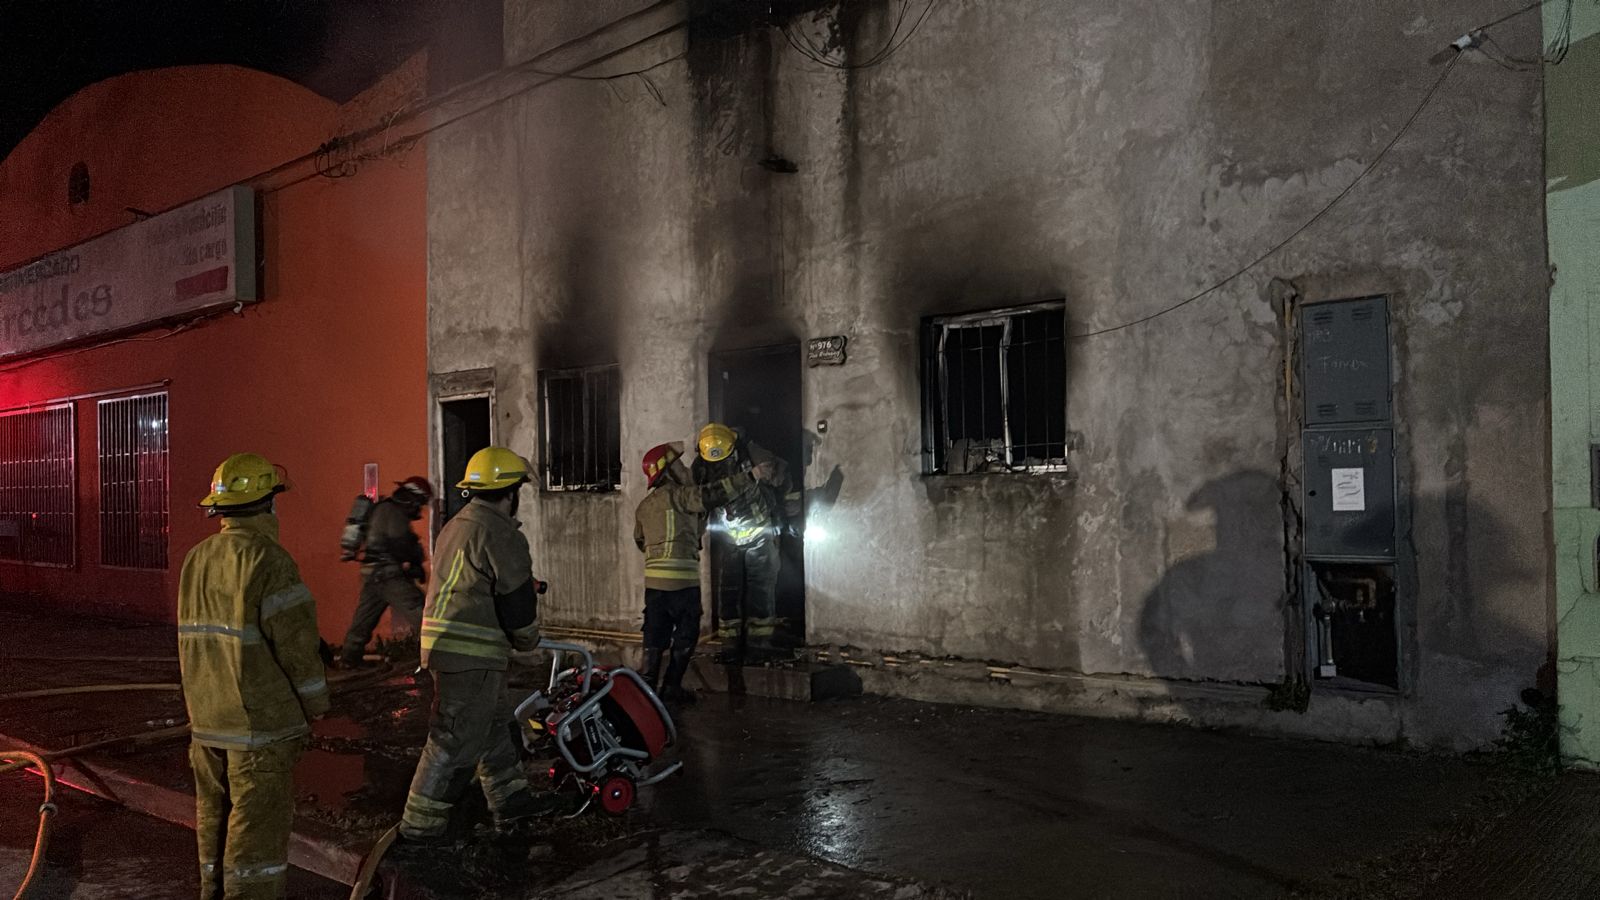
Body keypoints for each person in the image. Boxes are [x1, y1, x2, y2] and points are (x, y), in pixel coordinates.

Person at [179, 452, 329, 900]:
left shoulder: (196, 558)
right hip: (259, 724)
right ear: (268, 504)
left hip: (206, 720)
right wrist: (317, 704)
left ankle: (212, 892)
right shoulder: (269, 560)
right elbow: (298, 648)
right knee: (256, 833)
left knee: (214, 819)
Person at [398, 447, 555, 844]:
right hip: (471, 655)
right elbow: (517, 601)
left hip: (450, 647)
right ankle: (419, 830)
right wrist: (528, 639)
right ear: (512, 491)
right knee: (453, 740)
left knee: (493, 727)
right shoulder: (501, 532)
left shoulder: (457, 524)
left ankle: (512, 799)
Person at [633, 442, 771, 701]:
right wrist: (750, 476)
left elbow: (639, 541)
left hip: (654, 586)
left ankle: (647, 693)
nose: (685, 469)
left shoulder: (644, 505)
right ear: (669, 472)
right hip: (683, 583)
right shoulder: (682, 495)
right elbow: (714, 493)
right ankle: (672, 688)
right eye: (680, 465)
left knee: (655, 633)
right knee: (686, 635)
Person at [691, 423, 793, 663]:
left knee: (762, 587)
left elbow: (782, 480)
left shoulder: (754, 455)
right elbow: (699, 499)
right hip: (729, 537)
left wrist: (786, 515)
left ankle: (759, 643)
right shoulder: (700, 468)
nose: (719, 467)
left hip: (760, 532)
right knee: (728, 589)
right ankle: (730, 643)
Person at [339, 476, 433, 667]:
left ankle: (349, 659)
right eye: (419, 503)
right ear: (412, 499)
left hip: (372, 573)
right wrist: (415, 563)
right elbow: (400, 544)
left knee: (364, 619)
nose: (419, 509)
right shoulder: (393, 512)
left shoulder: (382, 509)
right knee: (420, 611)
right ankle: (435, 654)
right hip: (387, 576)